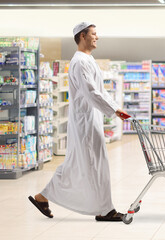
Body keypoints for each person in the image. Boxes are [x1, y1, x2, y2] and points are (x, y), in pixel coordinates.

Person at [29, 22, 129, 222]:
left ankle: (42, 197)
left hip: (91, 119)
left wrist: (114, 107)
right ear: (82, 36)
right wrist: (113, 110)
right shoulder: (80, 62)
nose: (97, 37)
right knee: (95, 164)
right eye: (94, 33)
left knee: (77, 164)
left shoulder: (87, 60)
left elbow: (99, 91)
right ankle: (105, 210)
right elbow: (91, 93)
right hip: (85, 122)